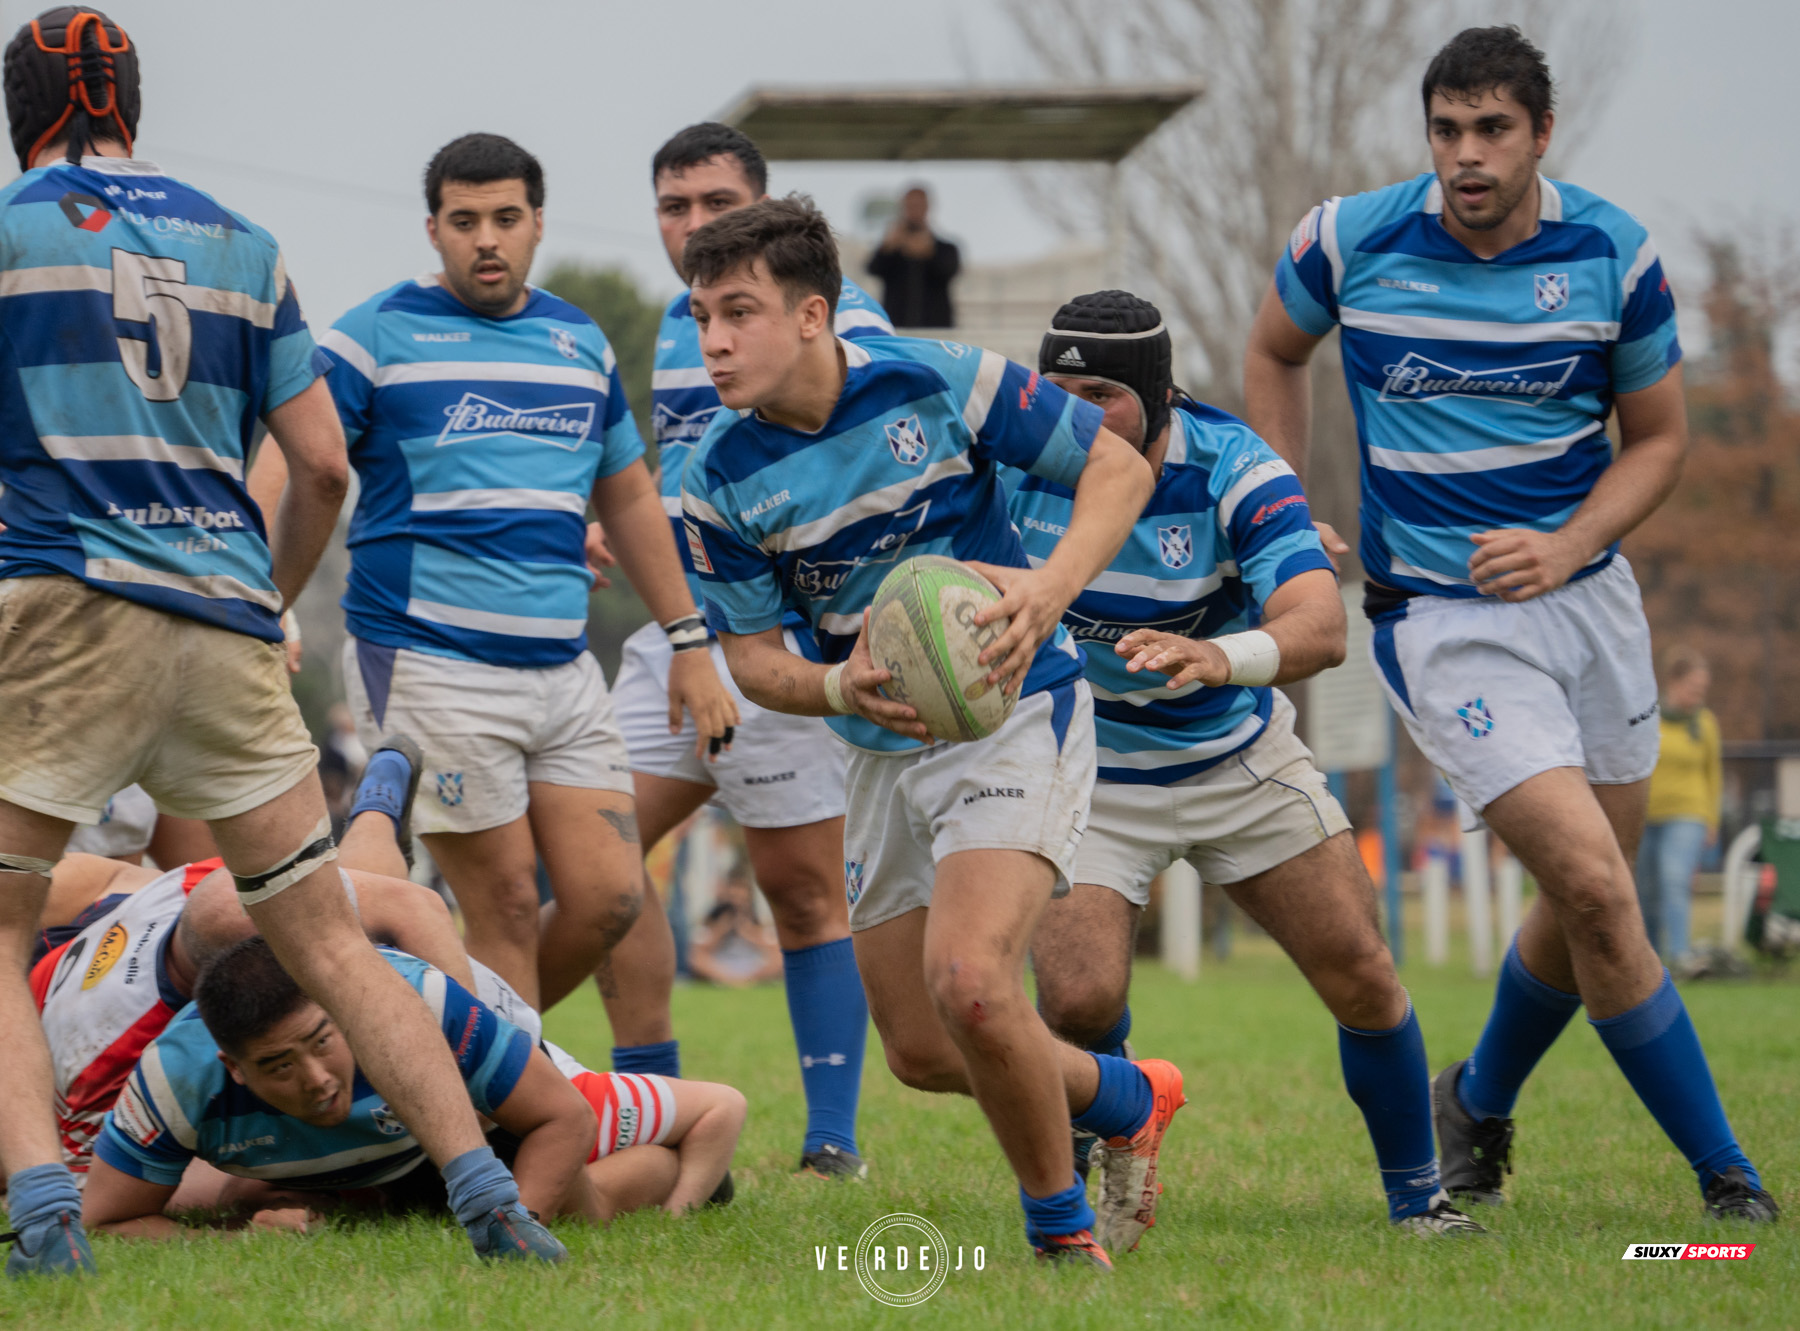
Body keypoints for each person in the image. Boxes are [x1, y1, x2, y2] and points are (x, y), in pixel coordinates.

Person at [0, 8, 560, 1275]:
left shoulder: (9, 230)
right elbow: (319, 462)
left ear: (17, 110)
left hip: (64, 607)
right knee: (321, 936)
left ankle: (44, 1217)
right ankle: (488, 1193)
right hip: (222, 618)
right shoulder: (244, 243)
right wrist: (263, 598)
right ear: (132, 106)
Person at [1243, 25, 1775, 1222]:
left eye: (1492, 130)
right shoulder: (1350, 239)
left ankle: (1476, 1100)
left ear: (1543, 133)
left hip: (1588, 603)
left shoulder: (1613, 255)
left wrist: (1571, 543)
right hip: (1440, 617)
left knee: (1588, 889)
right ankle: (1728, 1180)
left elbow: (1662, 441)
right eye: (1446, 130)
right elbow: (1274, 351)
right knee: (1594, 885)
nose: (1466, 156)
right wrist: (1280, 508)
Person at [680, 195, 1180, 1268]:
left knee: (972, 980)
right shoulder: (715, 480)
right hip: (877, 749)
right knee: (919, 1046)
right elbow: (755, 660)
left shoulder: (942, 379)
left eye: (739, 312)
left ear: (813, 315)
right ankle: (1130, 1092)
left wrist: (1051, 587)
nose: (713, 342)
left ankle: (1062, 1235)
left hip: (1013, 712)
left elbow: (1121, 469)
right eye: (700, 317)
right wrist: (838, 689)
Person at [1014, 290, 1482, 1237]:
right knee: (1076, 996)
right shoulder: (1016, 463)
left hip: (1235, 755)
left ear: (1153, 395)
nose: (1073, 409)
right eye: (1057, 386)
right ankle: (1118, 1118)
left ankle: (1419, 1201)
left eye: (1099, 390)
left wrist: (1220, 655)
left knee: (1361, 968)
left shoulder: (1234, 463)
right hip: (1087, 766)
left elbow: (1320, 624)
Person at [305, 133, 735, 1013]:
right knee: (499, 901)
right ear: (433, 229)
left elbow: (629, 504)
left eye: (506, 218)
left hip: (563, 673)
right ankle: (513, 1109)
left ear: (539, 223)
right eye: (464, 221)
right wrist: (257, 595)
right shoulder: (373, 335)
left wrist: (690, 637)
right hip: (427, 664)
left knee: (610, 897)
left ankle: (474, 1048)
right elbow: (297, 459)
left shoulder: (579, 340)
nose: (486, 239)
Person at [604, 121, 891, 1181]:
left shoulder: (838, 319)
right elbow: (673, 486)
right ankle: (660, 1106)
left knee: (805, 889)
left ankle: (832, 1143)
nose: (692, 226)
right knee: (593, 866)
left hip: (776, 634)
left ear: (764, 207)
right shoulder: (683, 326)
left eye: (715, 204)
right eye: (673, 207)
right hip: (675, 634)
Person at [29, 747, 510, 1183]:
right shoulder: (95, 1081)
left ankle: (376, 811)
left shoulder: (215, 897)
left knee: (328, 909)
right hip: (96, 990)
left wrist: (466, 1080)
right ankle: (377, 806)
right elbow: (113, 1191)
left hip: (139, 914)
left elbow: (415, 907)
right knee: (336, 913)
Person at [81, 937, 741, 1236]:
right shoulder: (175, 1081)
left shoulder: (420, 1006)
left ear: (344, 1013)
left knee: (577, 1204)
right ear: (234, 1069)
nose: (316, 1080)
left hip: (492, 1112)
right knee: (235, 1197)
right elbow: (106, 1218)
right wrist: (234, 1239)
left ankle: (668, 1177)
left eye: (322, 1042)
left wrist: (515, 1231)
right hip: (376, 1158)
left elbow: (560, 1117)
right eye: (280, 1066)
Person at [1638, 647, 1722, 969]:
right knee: (1646, 888)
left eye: (1702, 690)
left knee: (1673, 877)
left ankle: (1681, 955)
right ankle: (1651, 961)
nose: (1698, 696)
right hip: (1646, 815)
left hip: (1689, 813)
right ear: (1673, 682)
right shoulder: (1648, 717)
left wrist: (1711, 821)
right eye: (1693, 688)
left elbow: (1714, 773)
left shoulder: (1704, 723)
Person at [866, 186, 960, 328]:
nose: (914, 211)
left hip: (935, 328)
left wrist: (929, 253)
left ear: (927, 207)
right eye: (910, 206)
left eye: (918, 205)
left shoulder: (945, 248)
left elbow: (949, 270)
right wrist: (888, 247)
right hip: (897, 326)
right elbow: (873, 268)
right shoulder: (892, 249)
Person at [687, 869, 785, 988]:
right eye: (733, 896)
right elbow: (698, 950)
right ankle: (732, 981)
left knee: (780, 958)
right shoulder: (714, 918)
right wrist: (721, 930)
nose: (737, 902)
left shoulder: (756, 919)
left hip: (752, 966)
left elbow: (774, 948)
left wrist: (749, 933)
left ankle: (744, 981)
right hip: (721, 966)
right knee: (697, 959)